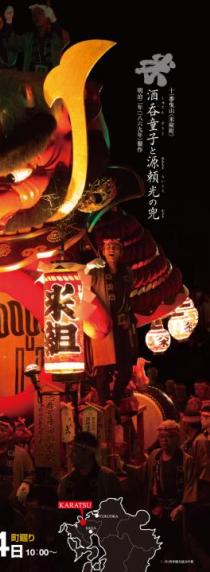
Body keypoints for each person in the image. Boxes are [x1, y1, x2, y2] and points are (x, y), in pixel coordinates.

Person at [89, 238, 139, 406]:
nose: (111, 249)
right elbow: (84, 285)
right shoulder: (96, 271)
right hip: (103, 324)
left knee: (126, 369)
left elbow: (131, 298)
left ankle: (114, 401)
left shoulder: (126, 273)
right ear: (102, 251)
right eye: (108, 247)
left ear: (121, 252)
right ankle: (104, 404)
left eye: (115, 247)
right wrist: (89, 267)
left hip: (121, 324)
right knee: (102, 368)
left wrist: (129, 316)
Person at [145, 420, 197, 562]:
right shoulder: (154, 456)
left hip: (176, 511)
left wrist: (183, 506)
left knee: (177, 550)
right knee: (155, 550)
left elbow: (191, 485)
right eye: (161, 437)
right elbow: (142, 474)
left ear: (177, 438)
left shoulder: (186, 460)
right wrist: (123, 465)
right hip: (158, 510)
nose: (164, 440)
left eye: (169, 437)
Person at [57, 431, 122, 507]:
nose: (69, 455)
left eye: (74, 451)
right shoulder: (66, 482)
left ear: (88, 452)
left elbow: (116, 509)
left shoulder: (108, 478)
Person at [7, 3, 70, 73]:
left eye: (40, 13)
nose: (36, 17)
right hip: (31, 76)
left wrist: (54, 20)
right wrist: (9, 22)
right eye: (33, 15)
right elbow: (12, 43)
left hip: (51, 76)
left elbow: (66, 39)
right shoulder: (28, 38)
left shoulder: (55, 37)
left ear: (47, 15)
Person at [191, 401, 210, 504]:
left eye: (203, 418)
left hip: (205, 482)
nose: (201, 421)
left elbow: (196, 464)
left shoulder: (200, 440)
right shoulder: (201, 438)